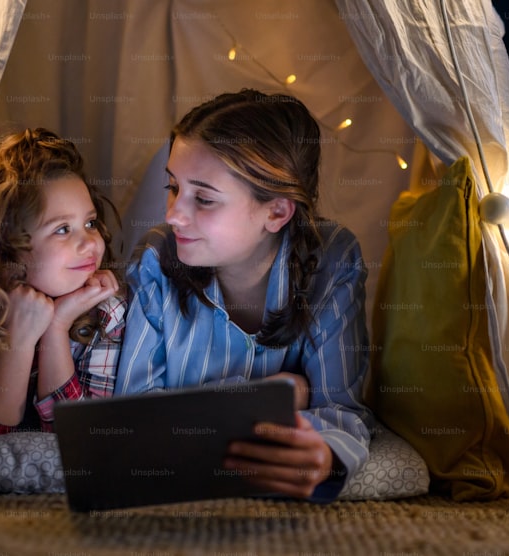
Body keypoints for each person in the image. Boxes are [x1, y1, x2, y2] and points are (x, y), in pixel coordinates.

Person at [116, 90, 373, 501]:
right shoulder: (156, 260)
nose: (173, 215)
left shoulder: (333, 260)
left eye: (203, 198)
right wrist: (276, 395)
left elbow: (341, 409)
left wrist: (323, 453)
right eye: (173, 187)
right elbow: (132, 418)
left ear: (276, 212)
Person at [0, 128, 124, 441]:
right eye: (62, 229)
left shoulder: (108, 312)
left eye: (90, 223)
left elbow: (77, 437)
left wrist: (56, 327)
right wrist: (19, 342)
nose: (89, 242)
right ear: (6, 246)